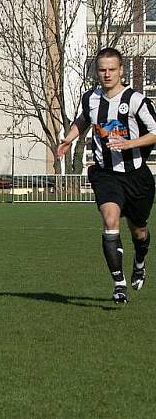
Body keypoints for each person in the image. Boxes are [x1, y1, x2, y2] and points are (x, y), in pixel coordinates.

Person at [58, 47, 156, 304]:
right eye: (102, 69)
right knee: (110, 219)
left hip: (136, 176)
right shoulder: (90, 98)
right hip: (105, 174)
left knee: (140, 232)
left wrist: (128, 144)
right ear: (97, 72)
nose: (107, 74)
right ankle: (119, 283)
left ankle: (139, 261)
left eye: (112, 69)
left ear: (121, 70)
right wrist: (68, 139)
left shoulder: (135, 100)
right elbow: (83, 120)